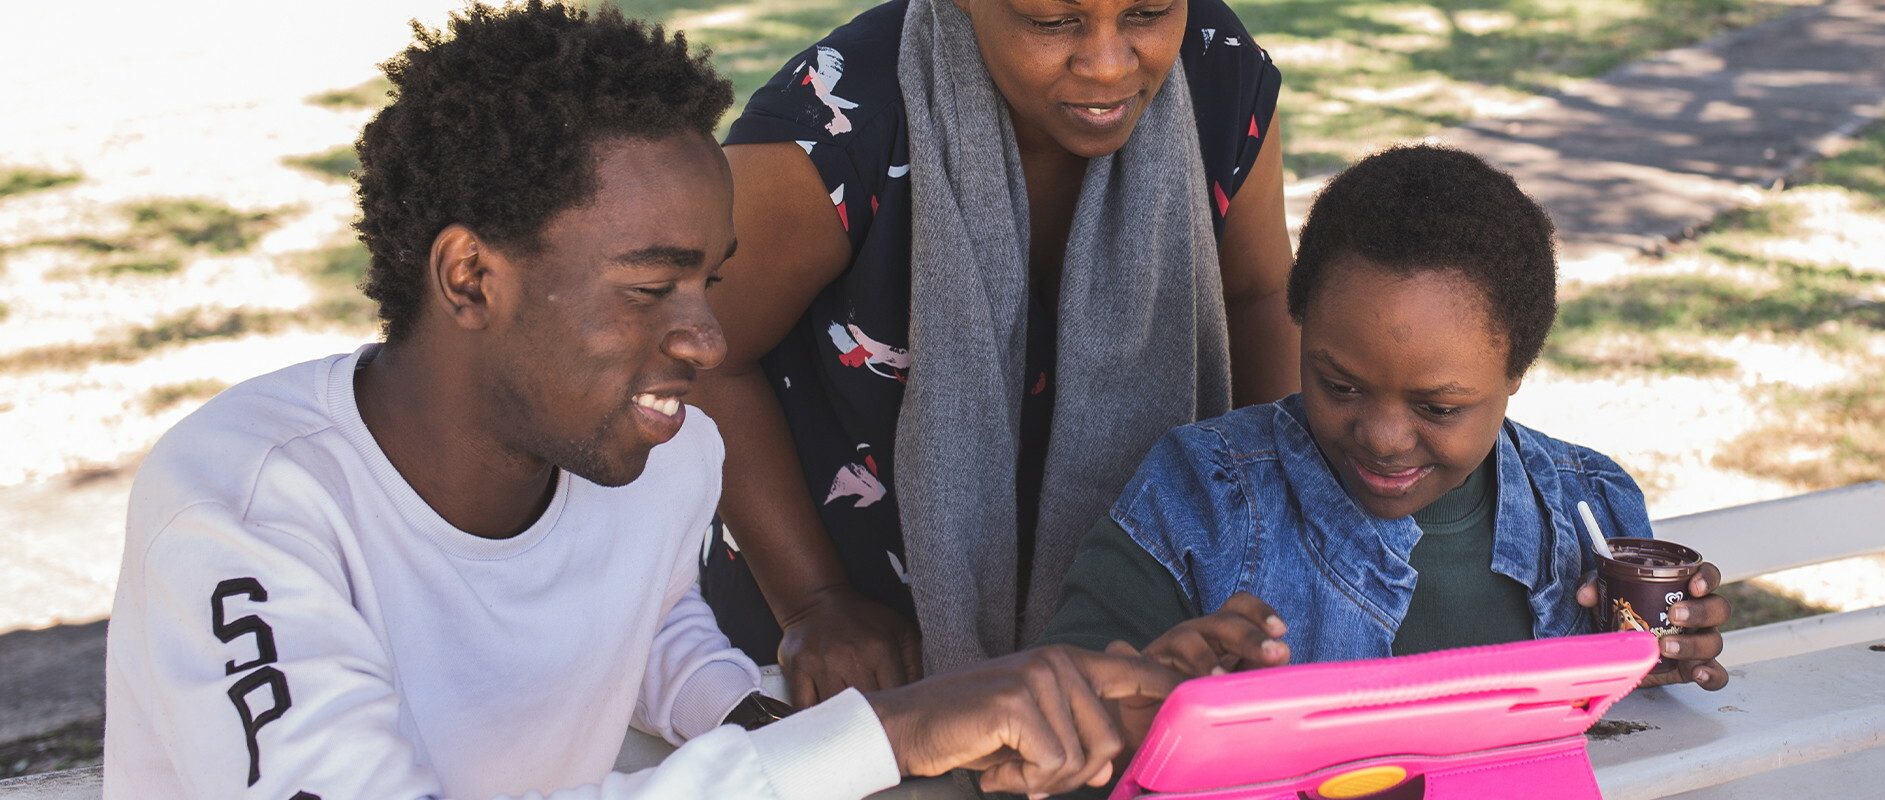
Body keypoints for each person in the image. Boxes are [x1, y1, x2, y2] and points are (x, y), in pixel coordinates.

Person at [101, 4, 1184, 798]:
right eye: (647, 287)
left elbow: (649, 624)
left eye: (710, 278)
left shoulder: (661, 453)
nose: (707, 338)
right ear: (471, 276)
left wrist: (853, 731)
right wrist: (882, 734)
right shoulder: (243, 501)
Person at [695, 0, 1300, 707]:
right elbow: (698, 351)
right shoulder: (838, 123)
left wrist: (1276, 544)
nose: (1107, 62)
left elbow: (1260, 297)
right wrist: (814, 601)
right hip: (852, 654)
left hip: (1139, 647)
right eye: (1052, 22)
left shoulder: (1217, 71)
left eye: (1147, 13)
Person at [1040, 145, 1733, 691]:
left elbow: (1634, 737)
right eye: (1340, 385)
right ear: (1301, 330)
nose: (1382, 437)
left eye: (1439, 408)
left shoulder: (1592, 506)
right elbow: (1064, 702)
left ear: (1516, 372)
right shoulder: (1198, 495)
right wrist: (1155, 687)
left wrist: (1665, 659)